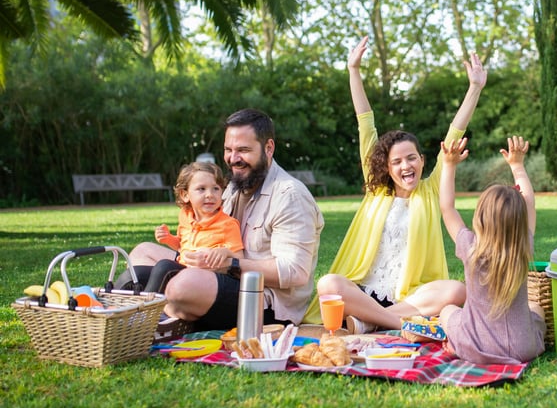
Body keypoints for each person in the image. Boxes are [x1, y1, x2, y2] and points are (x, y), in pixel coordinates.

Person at [304, 35, 486, 333]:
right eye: (397, 162)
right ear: (386, 168)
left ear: (423, 160)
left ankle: (367, 323)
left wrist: (475, 88)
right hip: (363, 291)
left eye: (411, 158)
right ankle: (397, 324)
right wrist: (353, 70)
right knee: (328, 284)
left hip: (410, 298)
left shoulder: (430, 191)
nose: (406, 166)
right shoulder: (377, 190)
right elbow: (365, 122)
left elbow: (455, 133)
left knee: (456, 291)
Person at [120, 109, 324, 331]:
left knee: (182, 286)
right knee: (142, 253)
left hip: (264, 301)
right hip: (216, 275)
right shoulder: (234, 187)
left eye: (243, 150)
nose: (233, 159)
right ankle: (128, 312)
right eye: (229, 150)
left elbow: (295, 272)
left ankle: (156, 318)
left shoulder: (290, 195)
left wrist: (230, 265)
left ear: (268, 148)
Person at [438, 135, 545, 364]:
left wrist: (449, 166)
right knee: (536, 308)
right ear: (520, 221)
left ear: (480, 218)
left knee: (447, 311)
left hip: (475, 345)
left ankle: (456, 346)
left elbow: (447, 209)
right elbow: (530, 203)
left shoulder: (471, 248)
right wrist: (517, 167)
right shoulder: (523, 244)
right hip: (522, 348)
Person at [132, 161, 244, 294]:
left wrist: (224, 252)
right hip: (183, 268)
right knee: (137, 272)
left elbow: (240, 257)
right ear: (185, 195)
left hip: (206, 279)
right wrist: (168, 239)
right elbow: (182, 246)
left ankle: (145, 309)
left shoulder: (227, 224)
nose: (210, 194)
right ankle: (114, 305)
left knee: (164, 267)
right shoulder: (185, 215)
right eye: (201, 189)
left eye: (216, 188)